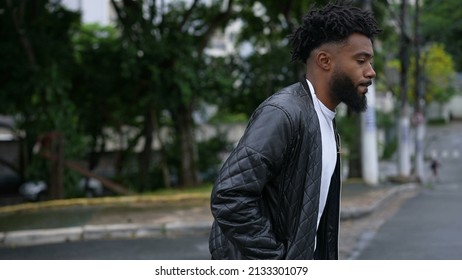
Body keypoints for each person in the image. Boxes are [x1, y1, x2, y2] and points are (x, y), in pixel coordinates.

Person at [209, 3, 381, 260]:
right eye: (361, 61)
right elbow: (229, 196)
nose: (371, 72)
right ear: (325, 60)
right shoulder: (284, 113)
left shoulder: (324, 120)